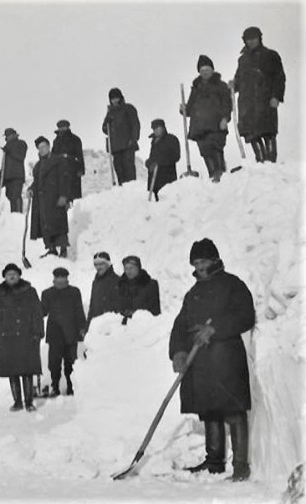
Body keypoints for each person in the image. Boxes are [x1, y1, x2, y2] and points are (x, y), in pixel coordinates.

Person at [169, 238, 255, 481]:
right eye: (196, 262)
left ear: (215, 260)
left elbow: (245, 316)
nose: (200, 266)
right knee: (209, 410)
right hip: (201, 363)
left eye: (204, 261)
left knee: (234, 409)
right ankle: (214, 461)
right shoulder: (193, 294)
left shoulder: (233, 285)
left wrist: (215, 329)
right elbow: (180, 326)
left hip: (227, 358)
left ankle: (240, 465)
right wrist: (178, 352)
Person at [0, 263, 44, 412]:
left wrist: (38, 332)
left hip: (27, 336)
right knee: (12, 370)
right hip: (6, 337)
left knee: (27, 369)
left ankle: (29, 402)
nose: (11, 276)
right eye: (8, 274)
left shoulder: (30, 291)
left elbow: (37, 314)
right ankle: (17, 401)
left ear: (19, 275)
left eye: (14, 273)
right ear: (4, 277)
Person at [232, 26, 286, 163]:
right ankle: (261, 162)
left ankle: (271, 164)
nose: (251, 42)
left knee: (268, 132)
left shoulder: (270, 55)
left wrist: (276, 96)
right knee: (251, 134)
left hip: (265, 101)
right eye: (248, 39)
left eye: (253, 38)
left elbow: (279, 77)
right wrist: (233, 85)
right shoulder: (242, 60)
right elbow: (239, 79)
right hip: (247, 103)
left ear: (259, 39)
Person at [181, 55, 232, 181]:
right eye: (202, 71)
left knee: (215, 147)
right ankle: (212, 174)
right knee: (205, 151)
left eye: (207, 70)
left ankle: (220, 173)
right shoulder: (196, 88)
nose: (205, 73)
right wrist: (183, 109)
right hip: (199, 126)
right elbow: (190, 109)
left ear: (212, 70)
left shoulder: (220, 86)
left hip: (216, 124)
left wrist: (225, 118)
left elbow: (227, 103)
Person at [41, 267, 86, 397]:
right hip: (55, 333)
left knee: (70, 362)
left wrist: (82, 328)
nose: (60, 280)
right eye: (58, 277)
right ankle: (55, 386)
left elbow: (79, 311)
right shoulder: (47, 293)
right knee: (54, 363)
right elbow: (42, 311)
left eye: (63, 277)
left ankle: (71, 387)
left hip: (71, 333)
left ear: (67, 278)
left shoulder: (74, 292)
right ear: (54, 278)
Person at [28, 136, 72, 258]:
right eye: (39, 148)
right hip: (42, 201)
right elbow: (36, 182)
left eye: (43, 147)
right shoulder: (37, 166)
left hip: (55, 198)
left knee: (59, 223)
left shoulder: (58, 160)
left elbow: (65, 179)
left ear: (49, 147)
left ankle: (63, 249)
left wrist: (64, 196)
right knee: (45, 225)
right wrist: (31, 189)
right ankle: (51, 248)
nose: (42, 149)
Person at [102, 87, 140, 185]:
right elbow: (105, 129)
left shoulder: (128, 109)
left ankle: (131, 189)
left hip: (127, 144)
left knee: (129, 169)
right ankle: (122, 189)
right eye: (112, 99)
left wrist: (134, 139)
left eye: (116, 98)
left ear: (120, 98)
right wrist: (107, 123)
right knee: (119, 170)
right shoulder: (110, 112)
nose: (114, 100)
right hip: (115, 147)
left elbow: (135, 124)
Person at [145, 119, 181, 201]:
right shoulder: (154, 142)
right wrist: (149, 163)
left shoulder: (171, 139)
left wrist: (159, 163)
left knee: (167, 200)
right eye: (154, 129)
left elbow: (176, 156)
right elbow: (152, 157)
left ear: (163, 128)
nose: (155, 131)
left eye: (157, 128)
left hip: (167, 176)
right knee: (155, 201)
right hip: (154, 178)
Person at [118, 255, 161, 322]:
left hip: (144, 326)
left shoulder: (150, 285)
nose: (128, 271)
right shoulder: (120, 285)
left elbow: (155, 311)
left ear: (138, 268)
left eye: (131, 268)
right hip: (121, 327)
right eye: (126, 268)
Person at [52, 120, 85, 201]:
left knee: (75, 196)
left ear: (67, 127)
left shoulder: (75, 139)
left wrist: (81, 169)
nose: (62, 129)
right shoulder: (56, 141)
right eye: (60, 127)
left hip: (73, 170)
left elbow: (79, 155)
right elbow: (53, 156)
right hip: (60, 172)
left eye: (63, 127)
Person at [87, 252, 122, 328]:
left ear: (108, 264)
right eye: (96, 264)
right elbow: (92, 307)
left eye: (101, 264)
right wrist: (88, 327)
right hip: (96, 327)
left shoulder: (118, 281)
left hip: (112, 327)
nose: (98, 267)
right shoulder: (95, 283)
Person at [0, 128, 28, 212]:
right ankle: (13, 214)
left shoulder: (21, 143)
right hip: (8, 177)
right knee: (10, 196)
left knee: (16, 195)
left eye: (8, 135)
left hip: (17, 175)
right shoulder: (7, 147)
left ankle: (18, 214)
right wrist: (0, 178)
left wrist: (10, 151)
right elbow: (4, 164)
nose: (7, 137)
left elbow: (21, 156)